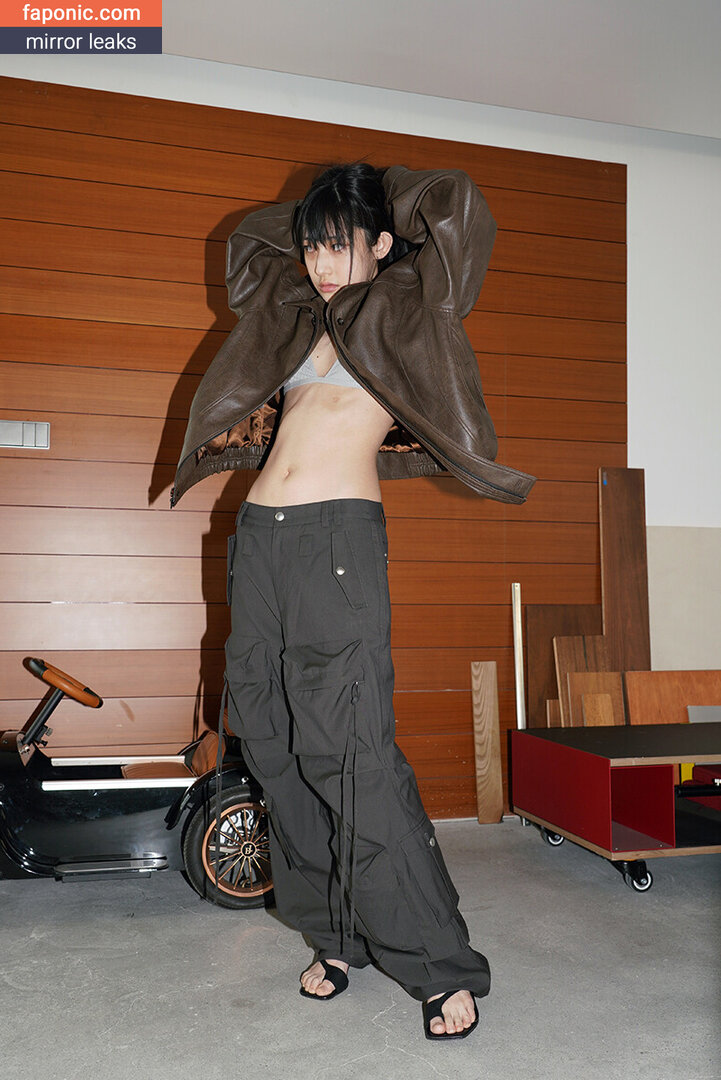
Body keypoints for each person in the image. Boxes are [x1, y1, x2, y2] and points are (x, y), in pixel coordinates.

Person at [172, 162, 535, 1040]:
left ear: (379, 241)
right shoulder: (295, 311)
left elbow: (458, 208)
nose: (320, 261)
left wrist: (364, 196)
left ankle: (438, 963)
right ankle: (334, 935)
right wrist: (321, 222)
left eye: (338, 244)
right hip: (259, 541)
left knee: (353, 755)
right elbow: (250, 244)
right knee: (273, 743)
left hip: (336, 542)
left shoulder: (412, 302)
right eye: (312, 246)